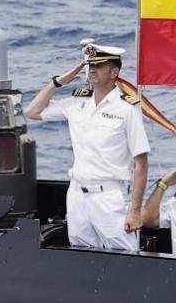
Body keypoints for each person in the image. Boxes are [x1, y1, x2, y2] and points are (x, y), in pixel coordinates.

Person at [24, 40, 149, 251]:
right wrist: (58, 83)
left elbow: (142, 163)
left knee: (124, 255)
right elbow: (32, 112)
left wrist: (135, 210)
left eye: (98, 65)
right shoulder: (77, 103)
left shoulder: (127, 109)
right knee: (81, 254)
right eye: (90, 65)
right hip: (77, 195)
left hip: (108, 195)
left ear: (113, 72)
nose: (92, 70)